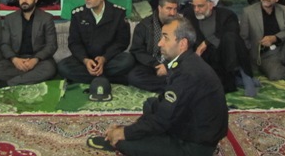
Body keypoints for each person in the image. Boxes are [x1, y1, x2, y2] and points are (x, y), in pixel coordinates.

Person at [89, 16, 228, 156]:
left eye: (165, 38)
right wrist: (132, 129)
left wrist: (124, 132)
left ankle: (118, 140)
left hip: (195, 145)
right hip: (192, 124)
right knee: (151, 104)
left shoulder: (187, 74)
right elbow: (164, 104)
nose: (160, 43)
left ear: (182, 43)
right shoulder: (186, 61)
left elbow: (162, 119)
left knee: (125, 142)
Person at [182, 0, 258, 96]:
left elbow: (232, 31)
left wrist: (206, 42)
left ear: (211, 5)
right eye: (194, 6)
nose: (196, 10)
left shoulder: (227, 15)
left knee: (231, 38)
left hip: (225, 54)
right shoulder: (189, 15)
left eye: (200, 6)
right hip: (206, 58)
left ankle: (246, 77)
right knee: (214, 85)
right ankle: (236, 79)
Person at [57, 0, 134, 84]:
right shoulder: (78, 14)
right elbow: (74, 42)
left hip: (109, 59)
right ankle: (109, 78)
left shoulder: (118, 13)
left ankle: (91, 77)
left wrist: (104, 58)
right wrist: (85, 60)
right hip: (86, 59)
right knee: (63, 66)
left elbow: (122, 42)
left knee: (128, 60)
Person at [0, 0, 58, 88]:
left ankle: (9, 83)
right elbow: (4, 44)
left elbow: (51, 45)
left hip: (39, 60)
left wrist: (35, 59)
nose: (24, 1)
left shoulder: (46, 18)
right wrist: (14, 59)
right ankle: (29, 78)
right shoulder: (10, 19)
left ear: (35, 0)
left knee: (49, 69)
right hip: (17, 60)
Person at [128, 0, 178, 92]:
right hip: (151, 63)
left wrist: (166, 65)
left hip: (172, 64)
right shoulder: (144, 25)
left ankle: (170, 83)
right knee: (133, 76)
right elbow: (137, 50)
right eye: (169, 9)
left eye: (175, 9)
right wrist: (156, 65)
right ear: (160, 8)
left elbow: (184, 49)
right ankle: (170, 85)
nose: (172, 13)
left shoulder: (180, 25)